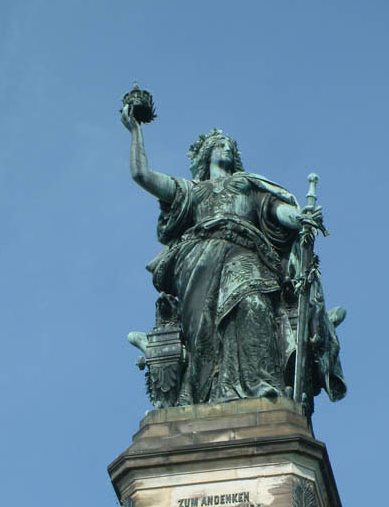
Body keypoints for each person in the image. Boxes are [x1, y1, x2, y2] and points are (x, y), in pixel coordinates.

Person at [121, 106, 335, 406]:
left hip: (245, 250)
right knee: (202, 333)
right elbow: (141, 175)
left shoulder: (246, 184)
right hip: (198, 259)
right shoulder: (191, 191)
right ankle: (203, 396)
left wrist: (298, 217)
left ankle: (261, 384)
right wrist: (135, 131)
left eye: (230, 146)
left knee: (254, 304)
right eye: (220, 145)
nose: (227, 148)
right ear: (206, 154)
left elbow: (274, 210)